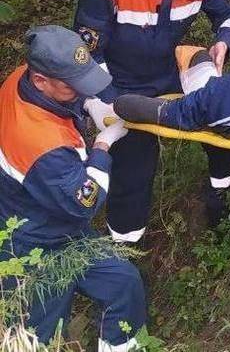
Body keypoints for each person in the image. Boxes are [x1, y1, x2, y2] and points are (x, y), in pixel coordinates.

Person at [73, 0, 230, 237]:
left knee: (223, 127)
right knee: (134, 165)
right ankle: (127, 244)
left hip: (171, 70)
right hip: (122, 82)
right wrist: (106, 100)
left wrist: (225, 40)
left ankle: (223, 209)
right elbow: (85, 53)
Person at [0, 26, 145, 350]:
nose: (81, 90)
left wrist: (89, 104)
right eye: (74, 86)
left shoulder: (23, 77)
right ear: (41, 80)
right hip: (32, 242)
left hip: (63, 227)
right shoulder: (42, 146)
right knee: (41, 332)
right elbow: (86, 201)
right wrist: (103, 147)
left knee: (123, 282)